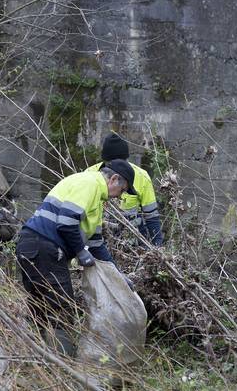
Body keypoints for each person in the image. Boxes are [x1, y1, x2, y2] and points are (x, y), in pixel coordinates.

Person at [16, 159, 136, 355]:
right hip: (44, 248)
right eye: (122, 191)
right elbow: (66, 221)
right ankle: (62, 365)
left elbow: (97, 244)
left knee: (40, 306)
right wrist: (80, 251)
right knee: (62, 308)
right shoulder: (90, 184)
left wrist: (117, 276)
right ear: (114, 179)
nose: (119, 196)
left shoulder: (96, 199)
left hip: (34, 247)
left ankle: (34, 360)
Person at [86, 132, 163, 245]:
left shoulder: (141, 176)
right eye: (112, 165)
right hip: (99, 233)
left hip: (130, 237)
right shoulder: (90, 174)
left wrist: (158, 247)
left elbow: (151, 216)